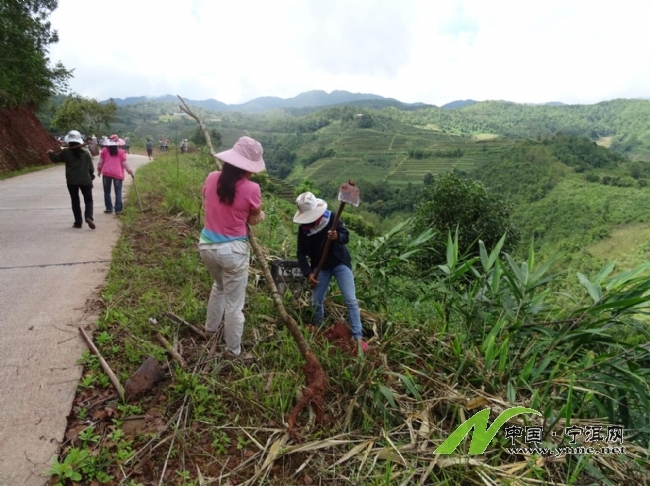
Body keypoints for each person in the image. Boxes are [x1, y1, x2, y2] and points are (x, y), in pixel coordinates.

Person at [199, 136, 266, 359]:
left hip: (207, 245)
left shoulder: (211, 178)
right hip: (233, 251)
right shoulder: (252, 189)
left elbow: (208, 202)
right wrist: (259, 214)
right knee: (234, 304)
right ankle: (233, 350)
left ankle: (210, 330)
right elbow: (254, 219)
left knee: (218, 287)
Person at [294, 192, 367, 351]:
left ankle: (358, 336)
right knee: (316, 302)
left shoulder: (331, 218)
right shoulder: (304, 230)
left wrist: (336, 237)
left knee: (351, 300)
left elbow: (346, 236)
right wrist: (309, 273)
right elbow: (300, 253)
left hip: (339, 263)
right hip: (320, 268)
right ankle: (319, 330)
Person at [47, 130, 96, 229]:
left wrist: (51, 154)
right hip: (85, 180)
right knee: (88, 200)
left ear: (69, 141)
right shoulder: (86, 154)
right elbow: (91, 169)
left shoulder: (66, 153)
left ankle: (78, 222)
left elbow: (56, 159)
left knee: (75, 201)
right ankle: (88, 216)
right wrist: (91, 178)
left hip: (71, 181)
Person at [98, 134, 134, 214]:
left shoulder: (104, 151)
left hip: (106, 173)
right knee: (118, 192)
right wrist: (131, 172)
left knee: (107, 192)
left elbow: (100, 162)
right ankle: (118, 209)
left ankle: (109, 208)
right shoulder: (121, 152)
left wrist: (99, 170)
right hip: (117, 174)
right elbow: (125, 164)